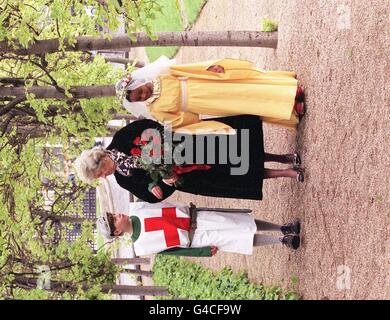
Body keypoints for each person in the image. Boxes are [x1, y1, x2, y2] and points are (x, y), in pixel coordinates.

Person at [74, 116, 304, 203]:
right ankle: (288, 173)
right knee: (241, 172)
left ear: (99, 159)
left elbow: (151, 126)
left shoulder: (122, 138)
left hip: (190, 147)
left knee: (242, 150)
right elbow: (150, 195)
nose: (103, 176)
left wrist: (162, 148)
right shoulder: (123, 180)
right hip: (194, 177)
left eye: (99, 173)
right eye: (100, 178)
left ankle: (283, 157)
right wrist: (162, 185)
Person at [115, 55, 305, 133]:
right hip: (206, 104)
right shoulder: (155, 110)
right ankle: (289, 108)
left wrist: (208, 68)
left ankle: (288, 90)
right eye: (139, 98)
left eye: (139, 92)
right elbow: (183, 121)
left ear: (138, 83)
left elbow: (186, 69)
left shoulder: (162, 74)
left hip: (206, 83)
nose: (143, 96)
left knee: (246, 87)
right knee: (246, 104)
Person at [97, 201, 301, 257]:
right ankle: (281, 242)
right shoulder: (140, 247)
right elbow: (173, 252)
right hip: (196, 239)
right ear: (116, 232)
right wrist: (201, 252)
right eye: (114, 220)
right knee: (240, 239)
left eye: (113, 214)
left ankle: (282, 227)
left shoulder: (137, 207)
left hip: (197, 219)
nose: (117, 215)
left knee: (240, 222)